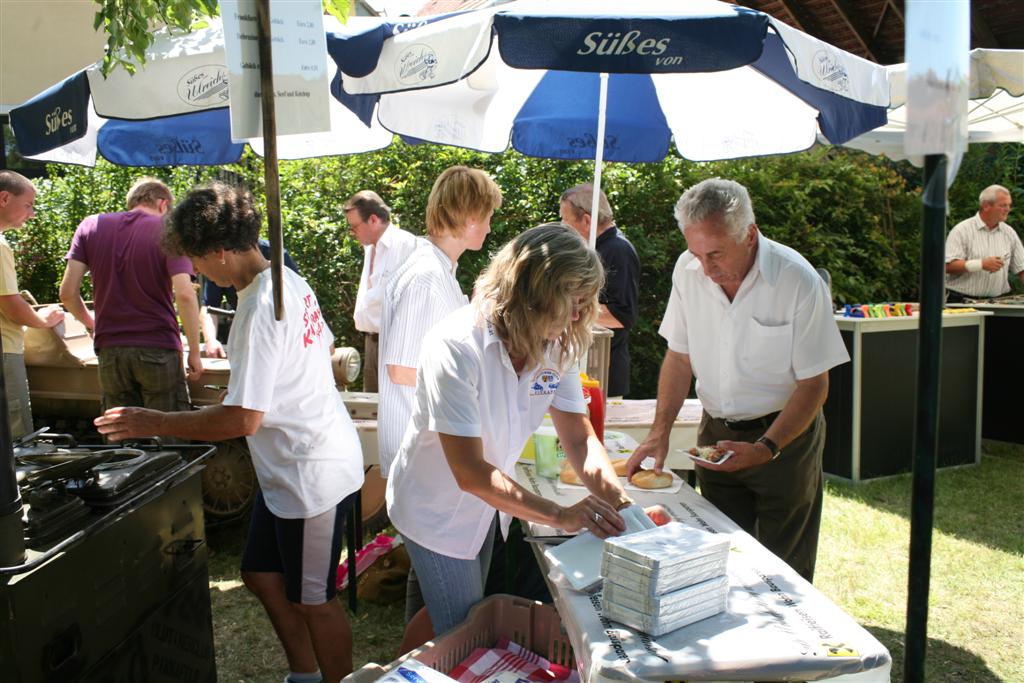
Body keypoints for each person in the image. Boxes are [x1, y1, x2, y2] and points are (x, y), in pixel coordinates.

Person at [94, 182, 364, 683]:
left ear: (219, 252)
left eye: (196, 260)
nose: (195, 272)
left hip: (312, 477)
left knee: (315, 601)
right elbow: (306, 359)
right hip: (288, 469)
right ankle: (303, 675)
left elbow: (243, 421)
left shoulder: (262, 309)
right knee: (260, 575)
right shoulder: (285, 279)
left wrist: (154, 421)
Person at [386, 223, 632, 635]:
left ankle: (405, 670)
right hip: (437, 508)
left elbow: (577, 434)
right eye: (569, 302)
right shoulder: (456, 346)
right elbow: (469, 471)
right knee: (464, 629)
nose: (576, 316)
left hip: (486, 503)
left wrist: (620, 503)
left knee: (445, 615)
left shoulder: (558, 341)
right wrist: (560, 515)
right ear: (532, 293)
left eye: (583, 303)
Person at [627, 178, 848, 583]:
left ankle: (787, 644)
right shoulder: (688, 269)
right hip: (715, 436)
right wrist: (660, 432)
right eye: (697, 254)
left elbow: (815, 384)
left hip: (785, 440)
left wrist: (766, 448)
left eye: (716, 254)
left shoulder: (796, 279)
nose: (707, 270)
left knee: (784, 569)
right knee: (718, 556)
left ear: (750, 234)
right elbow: (678, 357)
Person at [377, 165, 502, 653]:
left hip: (431, 453)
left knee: (425, 584)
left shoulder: (438, 270)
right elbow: (403, 368)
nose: (490, 227)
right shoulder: (426, 276)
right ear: (467, 214)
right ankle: (431, 662)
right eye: (486, 215)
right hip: (425, 459)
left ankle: (413, 662)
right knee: (459, 617)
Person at [60, 177, 202, 419]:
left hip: (110, 350)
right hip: (158, 347)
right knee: (167, 434)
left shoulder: (91, 225)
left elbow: (67, 293)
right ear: (163, 204)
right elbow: (186, 295)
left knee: (120, 438)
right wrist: (195, 353)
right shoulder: (170, 230)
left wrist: (92, 324)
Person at [0, 171, 65, 438]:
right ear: (4, 198)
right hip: (5, 350)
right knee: (16, 434)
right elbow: (11, 305)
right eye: (28, 205)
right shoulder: (0, 246)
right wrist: (44, 320)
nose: (32, 213)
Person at [559, 183, 639, 397]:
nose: (562, 226)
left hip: (605, 377)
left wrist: (562, 307)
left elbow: (622, 316)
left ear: (586, 220)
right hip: (587, 371)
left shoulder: (617, 250)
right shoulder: (594, 248)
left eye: (565, 220)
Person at [345, 190, 417, 392]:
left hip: (396, 344)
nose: (352, 233)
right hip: (372, 340)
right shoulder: (370, 247)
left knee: (395, 412)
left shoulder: (405, 244)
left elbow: (413, 301)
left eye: (354, 227)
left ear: (374, 219)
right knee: (373, 411)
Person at [202, 237, 299, 354]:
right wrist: (210, 340)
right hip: (245, 332)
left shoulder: (276, 254)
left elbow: (297, 301)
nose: (195, 270)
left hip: (283, 336)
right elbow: (209, 308)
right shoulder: (216, 264)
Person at [945, 185, 1023, 302]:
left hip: (998, 304)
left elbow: (1022, 269)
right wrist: (981, 264)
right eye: (1003, 205)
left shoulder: (1009, 232)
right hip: (962, 303)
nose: (1008, 209)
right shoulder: (961, 230)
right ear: (986, 206)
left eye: (1009, 205)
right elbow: (947, 266)